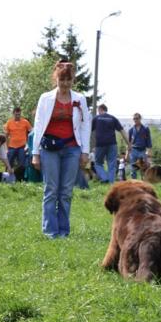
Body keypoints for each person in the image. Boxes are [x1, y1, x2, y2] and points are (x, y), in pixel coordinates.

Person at [31, 60, 90, 238]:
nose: (65, 84)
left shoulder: (80, 99)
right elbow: (38, 125)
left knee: (65, 191)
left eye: (68, 80)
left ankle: (63, 231)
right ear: (56, 78)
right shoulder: (45, 98)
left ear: (73, 80)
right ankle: (50, 231)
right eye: (61, 79)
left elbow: (85, 125)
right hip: (49, 148)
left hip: (72, 148)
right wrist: (35, 153)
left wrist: (85, 151)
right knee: (51, 190)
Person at [91, 103, 129, 183]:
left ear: (100, 109)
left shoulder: (96, 118)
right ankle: (111, 183)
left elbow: (88, 131)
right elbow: (122, 131)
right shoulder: (113, 118)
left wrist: (89, 145)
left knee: (98, 163)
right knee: (112, 164)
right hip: (112, 144)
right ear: (106, 110)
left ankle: (105, 178)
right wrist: (129, 144)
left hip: (100, 144)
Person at [128, 113, 152, 179]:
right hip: (133, 150)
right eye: (134, 119)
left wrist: (149, 150)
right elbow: (129, 142)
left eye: (137, 118)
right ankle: (134, 182)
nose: (135, 120)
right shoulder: (131, 130)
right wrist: (127, 152)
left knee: (144, 168)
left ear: (140, 119)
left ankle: (144, 182)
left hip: (142, 151)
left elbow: (149, 140)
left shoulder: (145, 129)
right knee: (133, 168)